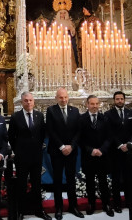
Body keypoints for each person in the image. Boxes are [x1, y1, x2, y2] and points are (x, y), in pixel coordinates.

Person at [8, 92, 52, 220]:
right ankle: (21, 211)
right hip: (21, 157)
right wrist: (19, 150)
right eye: (26, 100)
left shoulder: (39, 116)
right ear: (22, 102)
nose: (28, 102)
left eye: (30, 100)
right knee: (21, 185)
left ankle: (39, 210)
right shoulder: (16, 116)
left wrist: (37, 147)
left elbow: (42, 134)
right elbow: (11, 136)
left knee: (37, 184)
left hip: (36, 156)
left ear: (34, 101)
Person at [46, 88, 83, 219]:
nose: (64, 99)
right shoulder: (51, 110)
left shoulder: (75, 111)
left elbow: (79, 131)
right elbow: (51, 131)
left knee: (71, 179)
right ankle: (59, 208)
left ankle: (73, 207)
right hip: (57, 151)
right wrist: (62, 146)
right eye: (61, 97)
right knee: (57, 180)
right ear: (56, 98)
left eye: (66, 97)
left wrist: (71, 146)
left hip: (71, 151)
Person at [79, 95, 114, 217]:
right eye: (92, 104)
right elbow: (80, 139)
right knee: (89, 181)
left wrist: (101, 150)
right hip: (88, 156)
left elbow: (109, 137)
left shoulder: (105, 118)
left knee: (103, 181)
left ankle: (106, 204)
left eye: (96, 104)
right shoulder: (82, 119)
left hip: (102, 156)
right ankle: (91, 204)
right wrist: (91, 150)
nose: (94, 106)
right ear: (87, 105)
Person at [104, 91, 132, 213]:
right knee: (116, 178)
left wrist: (130, 143)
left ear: (124, 100)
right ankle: (116, 203)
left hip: (129, 150)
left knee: (129, 177)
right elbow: (109, 132)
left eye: (121, 99)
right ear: (114, 100)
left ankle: (129, 201)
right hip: (115, 151)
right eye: (117, 99)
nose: (119, 101)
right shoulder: (108, 114)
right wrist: (119, 144)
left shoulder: (131, 113)